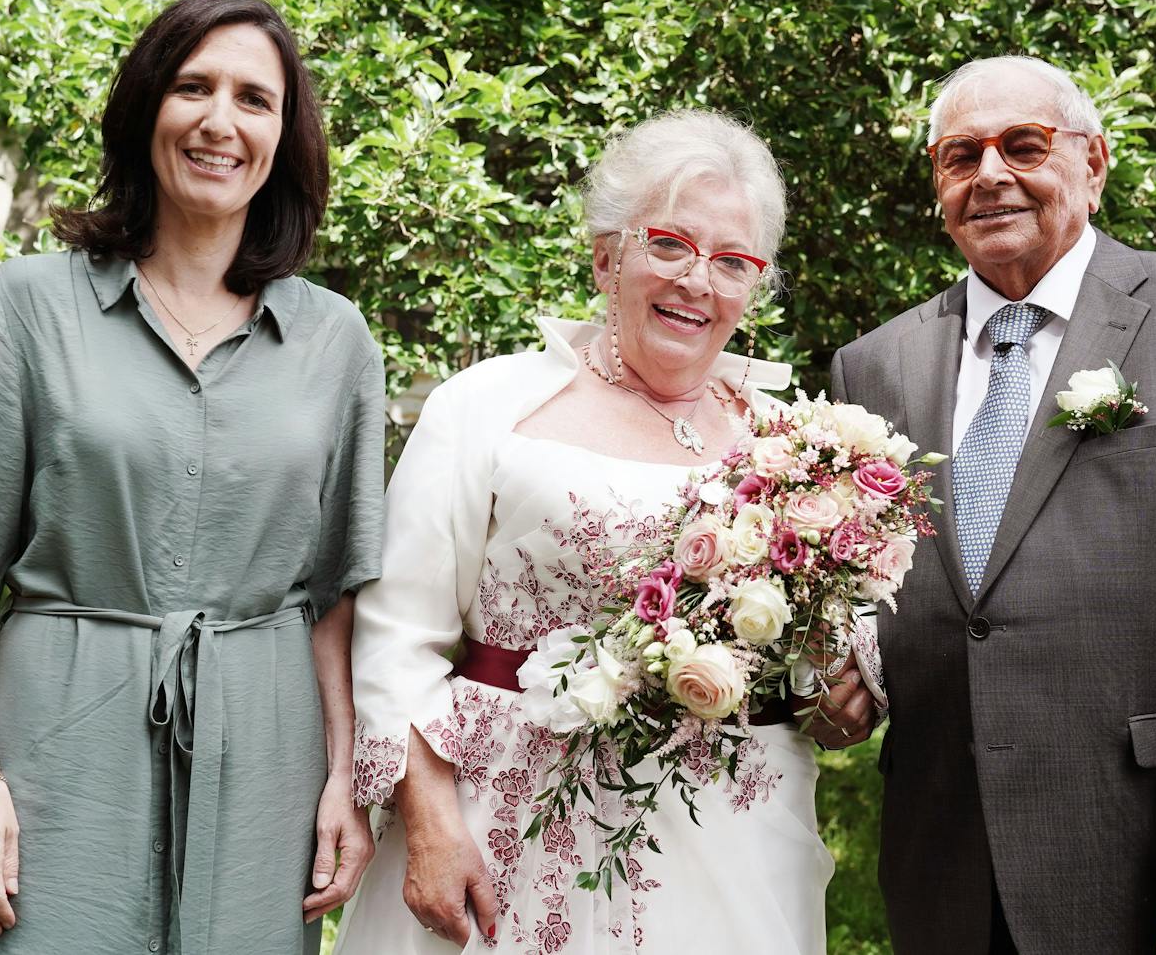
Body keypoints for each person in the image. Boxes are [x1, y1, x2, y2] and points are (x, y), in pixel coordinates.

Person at [0, 0, 385, 954]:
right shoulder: (27, 307)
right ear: (145, 107)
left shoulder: (336, 341)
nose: (219, 121)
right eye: (192, 87)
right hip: (54, 744)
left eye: (254, 98)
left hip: (264, 758)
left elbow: (333, 595)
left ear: (284, 135)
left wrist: (342, 780)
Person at [830, 55, 1156, 953]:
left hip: (1152, 861)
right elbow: (886, 585)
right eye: (959, 156)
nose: (990, 174)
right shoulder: (873, 366)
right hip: (947, 866)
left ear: (1094, 164)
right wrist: (848, 664)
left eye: (1023, 144)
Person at [339, 110, 865, 955]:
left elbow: (819, 659)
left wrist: (839, 680)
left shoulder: (789, 446)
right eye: (668, 244)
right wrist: (431, 823)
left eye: (732, 261)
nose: (698, 280)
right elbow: (396, 638)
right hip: (506, 831)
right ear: (604, 255)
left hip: (730, 847)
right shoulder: (487, 407)